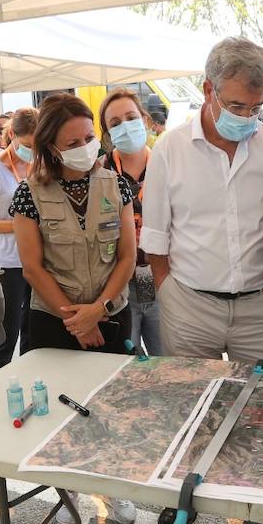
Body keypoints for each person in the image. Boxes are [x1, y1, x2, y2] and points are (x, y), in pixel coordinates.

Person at [142, 36, 263, 524]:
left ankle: (255, 500)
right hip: (189, 302)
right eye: (237, 104)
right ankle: (181, 494)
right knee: (188, 406)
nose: (247, 115)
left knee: (262, 409)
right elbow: (156, 233)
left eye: (257, 106)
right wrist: (168, 290)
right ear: (207, 90)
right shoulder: (170, 149)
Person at [9, 94, 138, 524]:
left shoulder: (115, 184)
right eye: (73, 141)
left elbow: (126, 257)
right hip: (54, 319)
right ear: (49, 147)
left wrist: (97, 310)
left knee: (111, 406)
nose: (86, 147)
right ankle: (68, 492)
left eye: (89, 137)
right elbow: (32, 266)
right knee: (62, 412)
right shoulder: (29, 193)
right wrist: (75, 319)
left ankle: (115, 486)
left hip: (111, 312)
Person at [99, 87, 163, 355]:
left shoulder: (167, 164)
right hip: (120, 286)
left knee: (171, 362)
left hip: (164, 280)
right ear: (108, 133)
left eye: (131, 118)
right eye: (115, 123)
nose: (125, 127)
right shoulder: (100, 171)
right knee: (128, 364)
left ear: (145, 120)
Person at [0, 106, 37, 373]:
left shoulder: (39, 165)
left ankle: (30, 381)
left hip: (37, 259)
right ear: (11, 134)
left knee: (33, 332)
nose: (31, 150)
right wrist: (19, 226)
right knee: (6, 335)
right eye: (26, 144)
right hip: (9, 263)